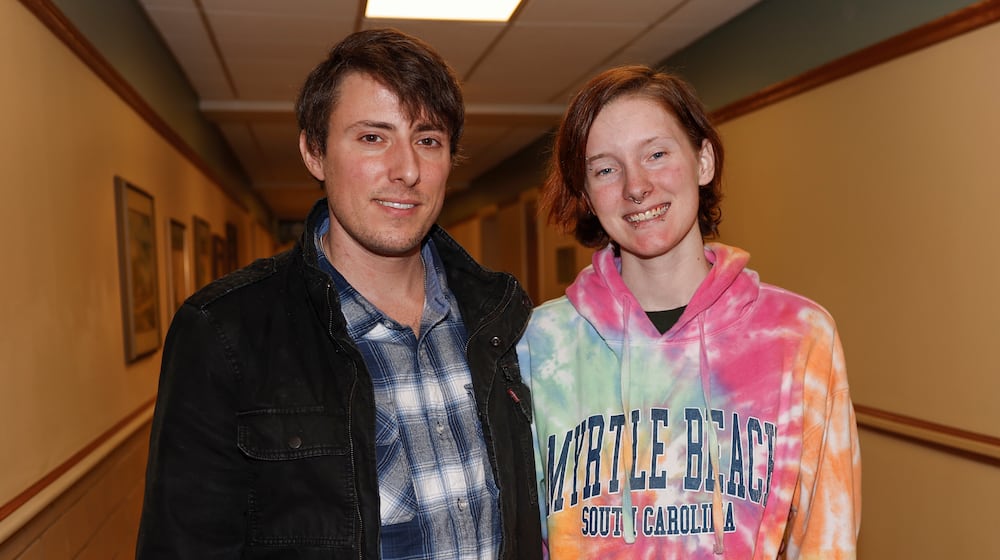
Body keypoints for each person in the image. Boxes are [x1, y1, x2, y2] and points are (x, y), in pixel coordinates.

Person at [137, 28, 541, 559]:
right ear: (314, 152)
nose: (407, 170)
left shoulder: (501, 318)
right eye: (373, 137)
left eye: (428, 140)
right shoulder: (224, 333)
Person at [516, 65, 861, 559]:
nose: (636, 186)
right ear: (588, 195)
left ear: (703, 161)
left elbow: (827, 539)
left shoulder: (797, 336)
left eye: (656, 154)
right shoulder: (540, 343)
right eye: (606, 169)